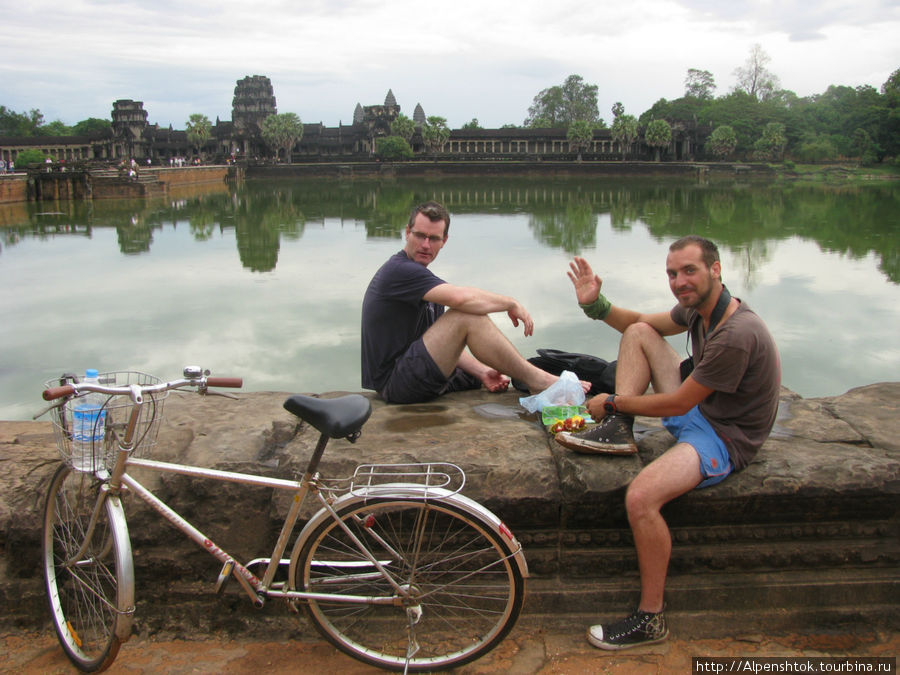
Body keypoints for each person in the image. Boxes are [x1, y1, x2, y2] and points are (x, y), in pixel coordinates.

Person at [556, 235, 780, 650]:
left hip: (724, 438)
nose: (680, 282)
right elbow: (642, 321)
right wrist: (595, 305)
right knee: (640, 332)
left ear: (716, 270)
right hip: (702, 413)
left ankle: (651, 619)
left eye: (689, 271)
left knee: (641, 497)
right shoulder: (698, 309)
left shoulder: (736, 333)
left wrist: (613, 401)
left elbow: (678, 400)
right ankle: (620, 430)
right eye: (673, 274)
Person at [361, 201, 588, 404]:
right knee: (464, 313)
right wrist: (511, 303)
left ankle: (527, 377)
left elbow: (446, 343)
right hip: (396, 383)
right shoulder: (399, 271)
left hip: (413, 372)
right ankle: (540, 380)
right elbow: (461, 300)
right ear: (407, 232)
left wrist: (482, 372)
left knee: (466, 323)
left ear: (444, 241)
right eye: (420, 235)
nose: (426, 245)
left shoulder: (423, 281)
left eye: (434, 238)